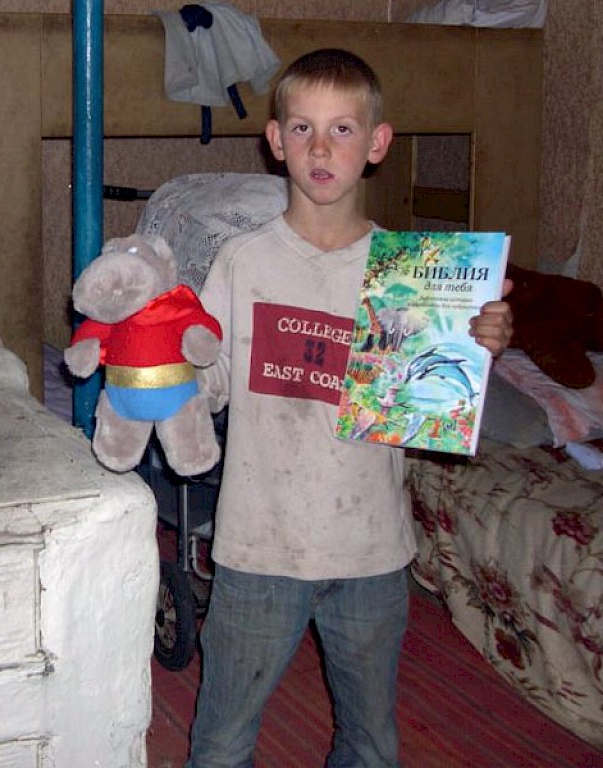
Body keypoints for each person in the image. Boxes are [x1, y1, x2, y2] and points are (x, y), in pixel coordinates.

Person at [189, 48, 513, 767]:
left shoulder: (417, 276)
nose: (320, 148)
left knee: (371, 744)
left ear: (377, 143)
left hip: (372, 548)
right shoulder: (242, 261)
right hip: (259, 545)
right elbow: (206, 384)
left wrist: (478, 346)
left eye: (342, 129)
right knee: (221, 743)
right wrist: (159, 360)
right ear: (275, 141)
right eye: (302, 128)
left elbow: (435, 402)